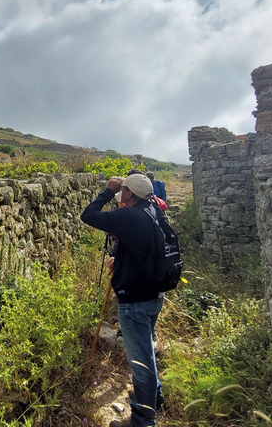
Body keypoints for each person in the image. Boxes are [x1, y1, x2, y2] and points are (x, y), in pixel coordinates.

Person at [81, 173, 165, 427]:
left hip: (135, 299)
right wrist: (122, 260)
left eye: (122, 191)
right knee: (146, 351)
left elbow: (89, 215)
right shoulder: (153, 210)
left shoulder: (128, 216)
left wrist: (108, 191)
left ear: (128, 193)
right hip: (154, 294)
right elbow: (143, 248)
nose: (120, 195)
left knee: (140, 361)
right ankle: (154, 397)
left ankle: (142, 420)